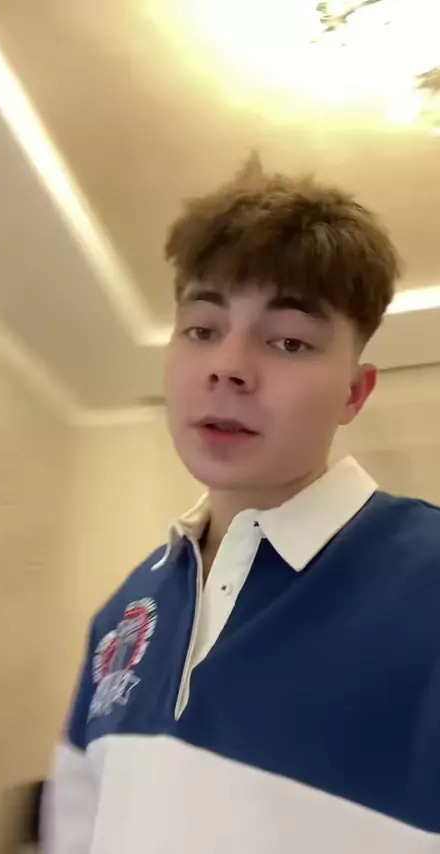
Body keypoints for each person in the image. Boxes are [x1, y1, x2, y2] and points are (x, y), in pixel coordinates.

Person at [43, 156, 440, 853]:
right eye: (202, 329)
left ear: (354, 393)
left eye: (288, 341)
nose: (227, 367)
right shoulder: (125, 613)